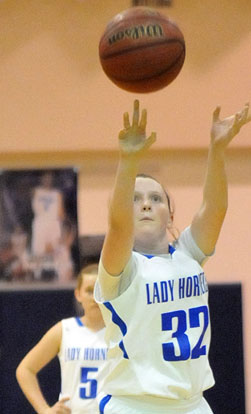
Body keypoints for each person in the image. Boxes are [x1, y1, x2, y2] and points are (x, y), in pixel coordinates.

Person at [94, 100, 251, 414]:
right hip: (133, 405)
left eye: (156, 198)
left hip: (192, 404)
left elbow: (215, 208)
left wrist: (217, 148)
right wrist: (128, 161)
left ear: (170, 215)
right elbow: (118, 226)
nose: (147, 205)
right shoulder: (120, 269)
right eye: (135, 199)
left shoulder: (188, 255)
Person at [16, 263, 108, 414]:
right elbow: (25, 370)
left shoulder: (120, 332)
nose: (95, 298)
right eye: (89, 291)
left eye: (100, 290)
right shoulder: (65, 329)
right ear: (78, 294)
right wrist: (44, 410)